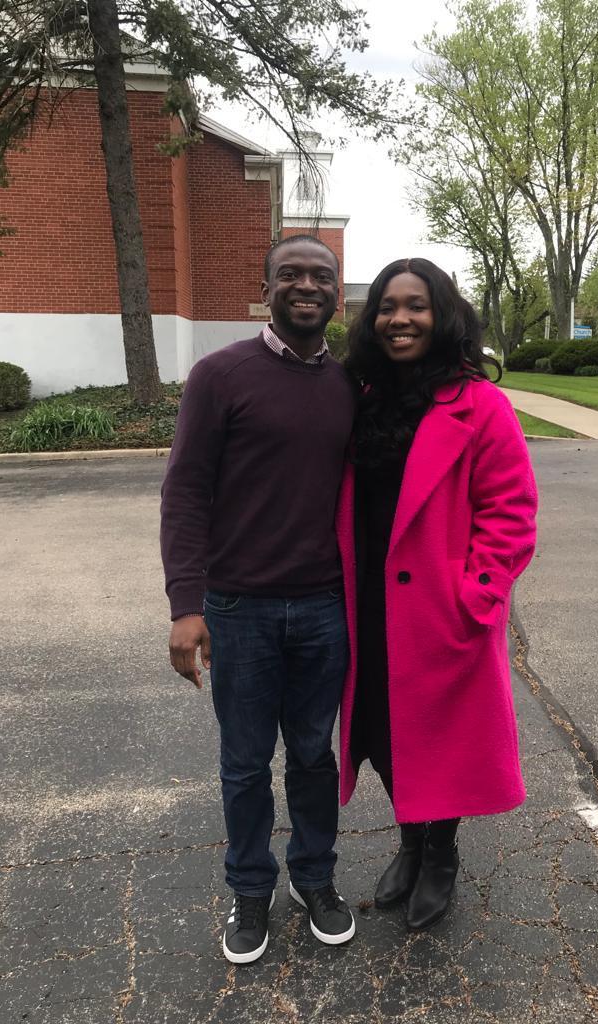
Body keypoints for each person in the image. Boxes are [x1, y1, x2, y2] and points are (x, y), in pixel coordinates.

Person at [160, 235, 356, 965]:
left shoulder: (350, 385)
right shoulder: (220, 376)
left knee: (312, 756)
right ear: (266, 287)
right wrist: (186, 605)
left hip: (324, 607)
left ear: (337, 292)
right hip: (238, 610)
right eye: (291, 274)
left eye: (321, 276)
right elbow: (185, 493)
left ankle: (314, 877)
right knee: (244, 763)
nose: (307, 286)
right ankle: (249, 889)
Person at [336, 257, 538, 930]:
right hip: (369, 602)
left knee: (438, 736)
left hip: (441, 608)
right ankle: (410, 841)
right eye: (387, 307)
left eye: (415, 306)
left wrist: (475, 596)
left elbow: (511, 513)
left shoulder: (480, 404)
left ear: (442, 314)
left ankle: (440, 853)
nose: (399, 319)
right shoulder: (361, 396)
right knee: (383, 730)